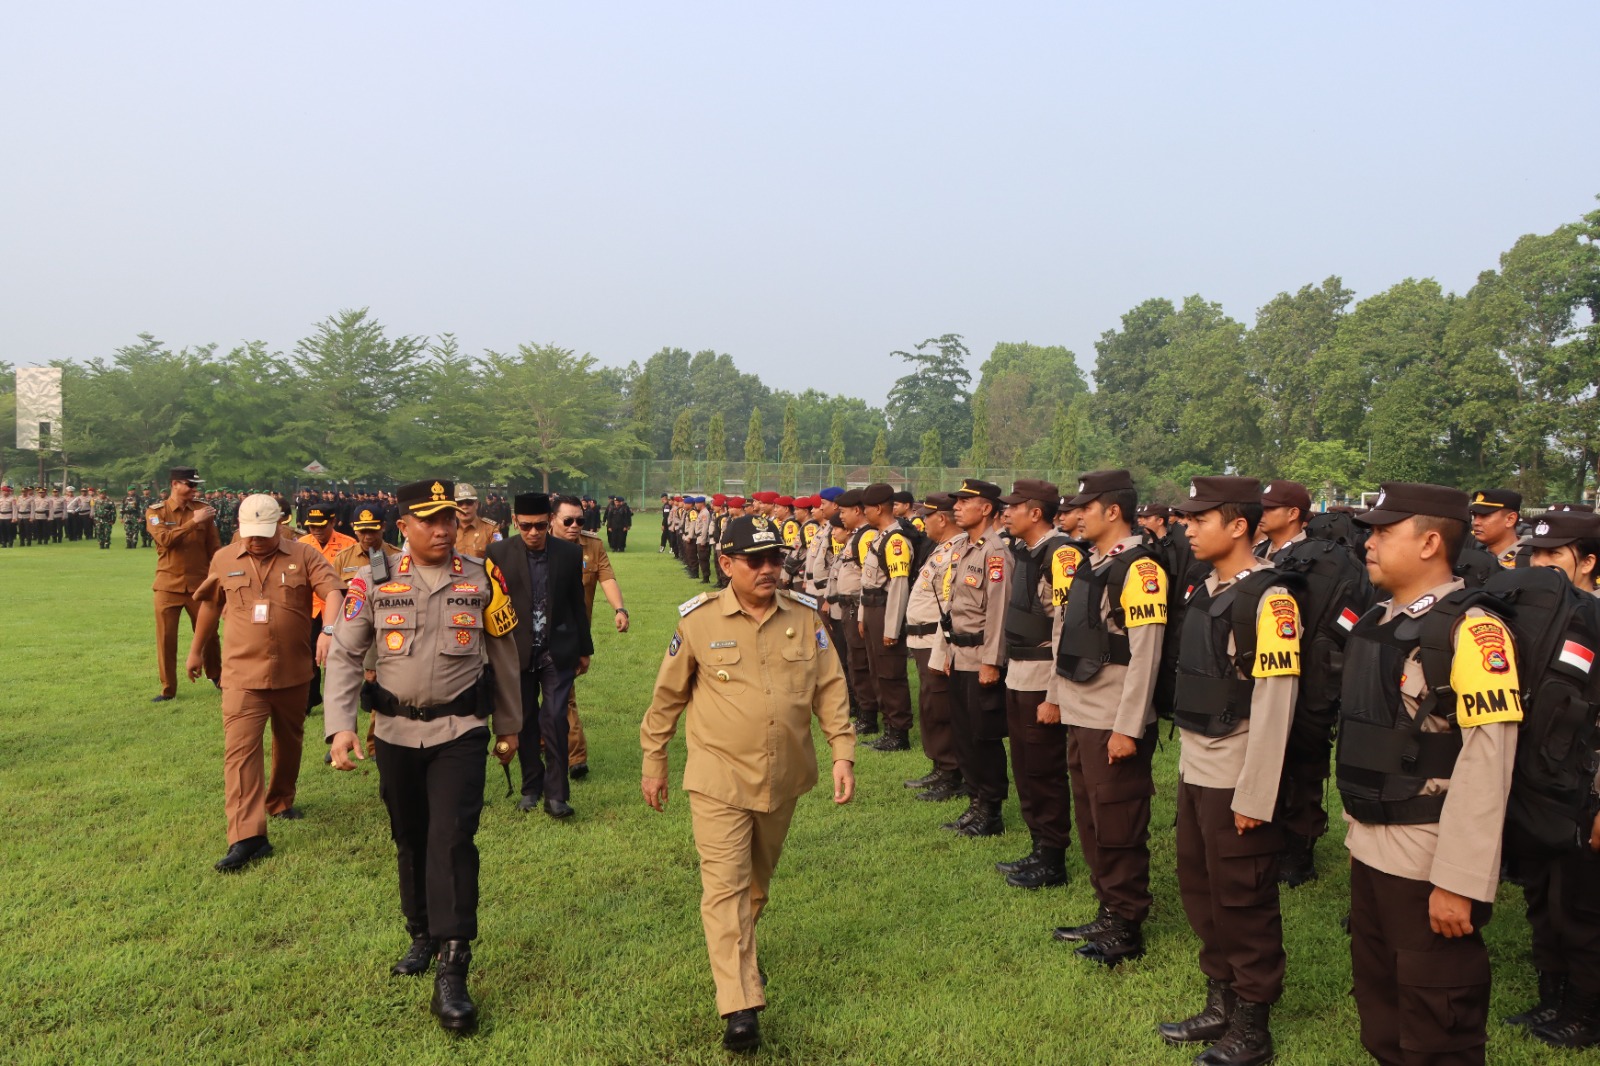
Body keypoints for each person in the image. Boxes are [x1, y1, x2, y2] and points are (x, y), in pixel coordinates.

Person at [641, 514, 856, 1053]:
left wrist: (843, 752)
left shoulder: (806, 617)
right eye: (755, 560)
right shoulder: (698, 621)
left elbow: (830, 688)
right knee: (726, 888)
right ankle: (739, 1005)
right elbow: (667, 698)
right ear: (727, 564)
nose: (768, 569)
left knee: (755, 888)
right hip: (718, 776)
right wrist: (654, 759)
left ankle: (740, 958)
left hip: (784, 778)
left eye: (775, 559)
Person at [324, 478, 523, 1032]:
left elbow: (505, 656)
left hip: (460, 730)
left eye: (449, 520)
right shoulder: (372, 580)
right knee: (409, 836)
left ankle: (454, 969)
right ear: (403, 527)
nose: (443, 529)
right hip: (391, 731)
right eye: (429, 521)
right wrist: (340, 726)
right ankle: (422, 935)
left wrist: (509, 727)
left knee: (452, 839)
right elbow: (344, 655)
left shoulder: (483, 578)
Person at [1339, 483, 1522, 1065]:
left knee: (1436, 1018)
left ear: (1431, 542)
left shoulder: (1472, 632)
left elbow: (1487, 763)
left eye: (1383, 532)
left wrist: (1460, 881)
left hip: (1427, 856)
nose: (1368, 543)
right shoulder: (1378, 620)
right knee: (1383, 1004)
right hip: (1373, 841)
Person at [1158, 476, 1300, 1066]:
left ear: (1238, 525)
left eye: (1200, 518)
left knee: (1243, 898)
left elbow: (1276, 702)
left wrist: (1256, 793)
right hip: (1199, 764)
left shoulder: (1271, 599)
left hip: (1238, 773)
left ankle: (1252, 1024)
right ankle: (1221, 999)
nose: (1187, 527)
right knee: (1202, 888)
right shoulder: (1205, 587)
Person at [1045, 470, 1167, 965]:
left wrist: (1127, 726)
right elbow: (1069, 637)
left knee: (1117, 822)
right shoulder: (1094, 563)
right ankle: (1109, 907)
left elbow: (1147, 653)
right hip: (1083, 711)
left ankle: (1126, 922)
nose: (1075, 515)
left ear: (1112, 511)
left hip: (1112, 716)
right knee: (1093, 819)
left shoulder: (1139, 570)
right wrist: (1056, 695)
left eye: (1085, 507)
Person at [185, 494, 342, 871]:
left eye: (265, 533)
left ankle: (281, 799)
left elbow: (334, 591)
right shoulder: (224, 558)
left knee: (289, 741)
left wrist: (330, 631)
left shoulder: (303, 555)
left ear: (281, 526)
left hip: (293, 671)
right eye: (249, 533)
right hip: (241, 674)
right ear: (239, 526)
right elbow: (210, 604)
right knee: (239, 753)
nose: (256, 540)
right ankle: (247, 837)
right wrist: (196, 650)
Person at [1506, 509, 1600, 1047]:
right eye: (1534, 554)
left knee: (1580, 902)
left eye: (1554, 556)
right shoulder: (1528, 615)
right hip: (1537, 779)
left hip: (1584, 788)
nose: (1539, 564)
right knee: (1541, 893)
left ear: (1588, 562)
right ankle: (1551, 996)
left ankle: (1584, 1011)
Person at [485, 493, 593, 818]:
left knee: (555, 719)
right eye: (527, 526)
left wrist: (585, 649)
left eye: (541, 526)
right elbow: (493, 604)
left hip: (556, 651)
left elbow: (578, 604)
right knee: (526, 721)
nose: (534, 533)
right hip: (515, 652)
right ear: (515, 522)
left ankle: (557, 796)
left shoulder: (569, 554)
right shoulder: (498, 553)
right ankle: (531, 788)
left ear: (549, 522)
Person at [994, 478, 1079, 888]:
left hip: (1042, 674)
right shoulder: (1027, 551)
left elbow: (1067, 626)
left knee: (1043, 769)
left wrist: (1055, 693)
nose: (1005, 513)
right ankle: (1037, 846)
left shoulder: (1061, 554)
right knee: (1025, 766)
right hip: (1020, 670)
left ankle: (1052, 858)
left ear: (1036, 512)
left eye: (1013, 506)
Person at [941, 479, 1011, 838]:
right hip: (961, 653)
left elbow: (998, 612)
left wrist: (991, 661)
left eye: (965, 501)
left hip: (981, 656)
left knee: (984, 737)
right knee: (965, 734)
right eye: (956, 501)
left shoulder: (995, 552)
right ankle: (975, 801)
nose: (957, 506)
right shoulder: (966, 547)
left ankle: (992, 809)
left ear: (986, 509)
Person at [552, 494, 631, 780]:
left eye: (580, 520)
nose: (575, 526)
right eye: (568, 520)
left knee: (565, 694)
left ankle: (575, 757)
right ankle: (547, 743)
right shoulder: (536, 545)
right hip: (537, 632)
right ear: (552, 520)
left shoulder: (593, 546)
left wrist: (619, 608)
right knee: (544, 694)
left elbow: (606, 578)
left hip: (573, 634)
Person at [902, 492, 966, 801]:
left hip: (935, 640)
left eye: (926, 516)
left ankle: (953, 772)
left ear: (941, 518)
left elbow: (951, 605)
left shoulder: (956, 551)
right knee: (930, 706)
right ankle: (941, 766)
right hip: (922, 639)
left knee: (940, 708)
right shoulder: (941, 548)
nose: (921, 521)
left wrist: (943, 650)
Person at [148, 467, 222, 701]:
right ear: (175, 484)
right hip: (167, 585)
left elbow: (214, 548)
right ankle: (168, 689)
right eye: (190, 485)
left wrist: (219, 577)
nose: (194, 490)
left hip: (199, 585)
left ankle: (218, 677)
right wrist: (193, 523)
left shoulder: (203, 510)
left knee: (210, 634)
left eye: (196, 485)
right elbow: (165, 539)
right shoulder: (155, 511)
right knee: (166, 638)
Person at [858, 483, 916, 752]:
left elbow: (898, 586)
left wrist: (892, 628)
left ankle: (898, 732)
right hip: (871, 609)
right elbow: (866, 582)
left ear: (878, 508)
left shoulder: (895, 541)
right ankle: (888, 726)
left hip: (885, 611)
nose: (864, 513)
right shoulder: (880, 537)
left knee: (890, 673)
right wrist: (861, 615)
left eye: (866, 508)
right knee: (876, 671)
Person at [299, 507, 355, 714]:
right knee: (308, 655)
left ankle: (337, 700)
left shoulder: (348, 545)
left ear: (334, 522)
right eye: (312, 526)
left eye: (321, 526)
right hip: (310, 609)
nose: (316, 530)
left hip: (338, 608)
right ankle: (309, 698)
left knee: (337, 656)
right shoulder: (302, 545)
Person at [1255, 480, 1310, 562]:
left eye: (1269, 508)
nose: (1261, 513)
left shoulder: (1308, 556)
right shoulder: (1259, 550)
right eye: (1261, 507)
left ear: (1292, 513)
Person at [1468, 488, 1523, 568]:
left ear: (1510, 519)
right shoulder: (1473, 556)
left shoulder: (1530, 560)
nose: (1475, 522)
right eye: (1475, 515)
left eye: (1484, 515)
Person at [452, 484, 500, 558]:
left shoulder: (492, 529)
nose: (464, 507)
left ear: (476, 504)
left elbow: (500, 554)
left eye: (469, 502)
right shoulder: (446, 530)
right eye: (459, 503)